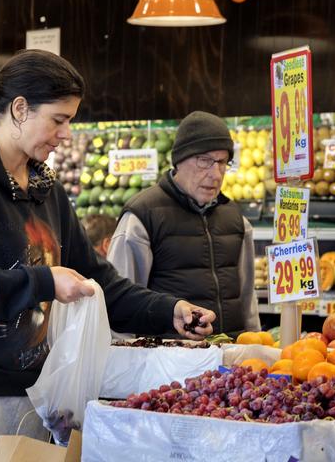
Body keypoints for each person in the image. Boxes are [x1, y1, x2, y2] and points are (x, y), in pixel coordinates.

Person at [0, 49, 216, 461]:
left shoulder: (46, 190)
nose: (65, 134)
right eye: (58, 119)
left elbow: (95, 280)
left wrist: (167, 312)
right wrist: (45, 281)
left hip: (31, 391)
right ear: (19, 109)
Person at [107, 111, 261, 337]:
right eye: (205, 161)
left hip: (230, 363)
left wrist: (254, 345)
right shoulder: (142, 217)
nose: (215, 174)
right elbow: (120, 300)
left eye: (222, 163)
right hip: (166, 363)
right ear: (179, 160)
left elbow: (247, 299)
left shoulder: (237, 220)